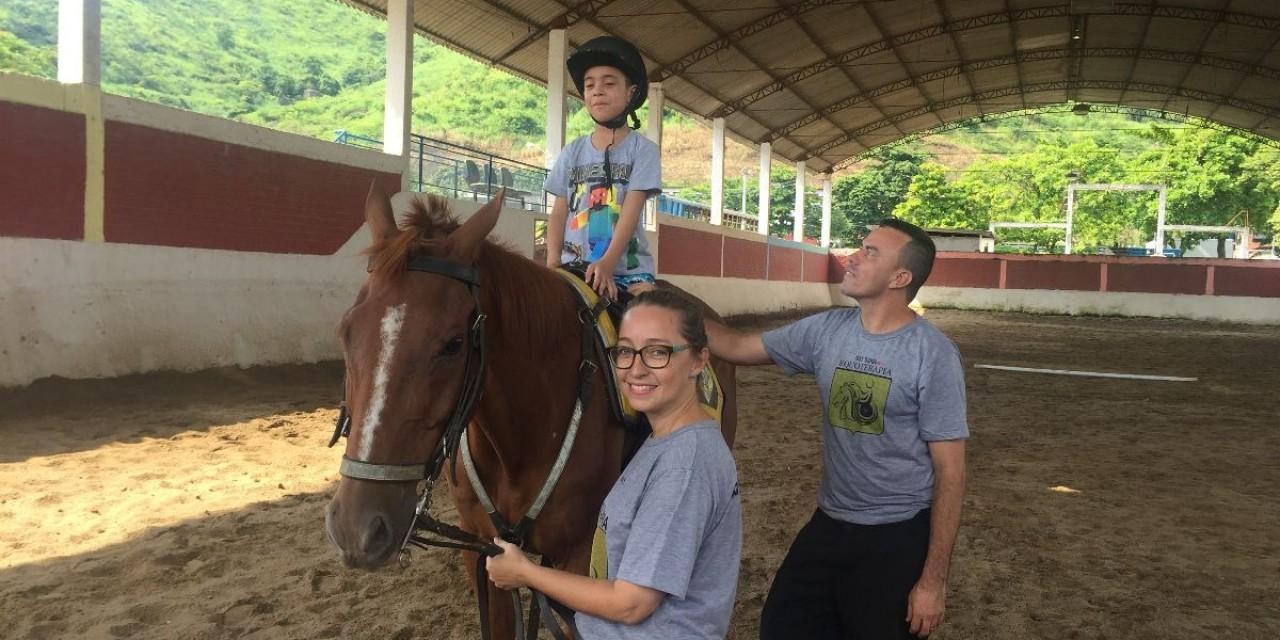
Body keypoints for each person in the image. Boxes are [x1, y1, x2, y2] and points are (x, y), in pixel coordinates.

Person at [706, 219, 968, 640]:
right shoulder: (827, 330)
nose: (852, 258)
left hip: (897, 533)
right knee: (780, 627)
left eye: (870, 253)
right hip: (831, 521)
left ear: (900, 278)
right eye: (859, 248)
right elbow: (735, 347)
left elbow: (951, 473)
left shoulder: (932, 354)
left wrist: (932, 582)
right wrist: (668, 305)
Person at [487, 289, 742, 639]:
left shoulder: (685, 467)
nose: (635, 369)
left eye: (657, 352)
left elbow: (631, 603)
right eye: (625, 351)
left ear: (699, 361)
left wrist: (525, 574)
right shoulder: (663, 440)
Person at [544, 35, 660, 301]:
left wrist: (607, 264)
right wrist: (552, 264)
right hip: (573, 269)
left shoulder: (643, 150)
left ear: (631, 92)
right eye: (589, 85)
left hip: (624, 271)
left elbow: (631, 211)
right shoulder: (572, 152)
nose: (597, 90)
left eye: (609, 83)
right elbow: (559, 213)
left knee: (638, 329)